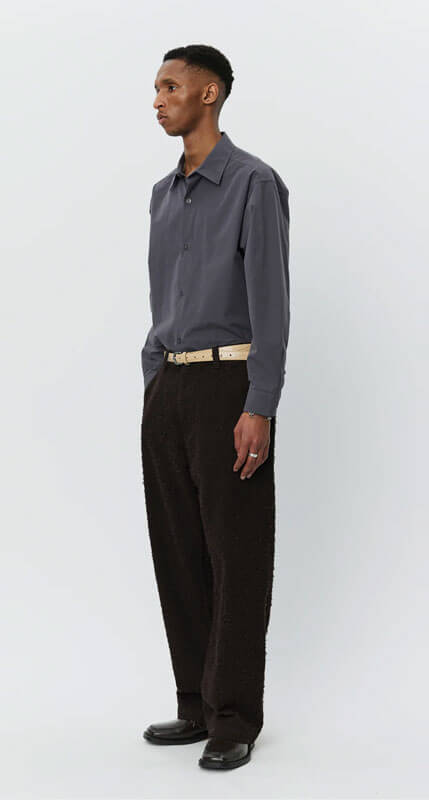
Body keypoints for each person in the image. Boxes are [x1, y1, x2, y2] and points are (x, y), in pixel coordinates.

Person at [140, 44, 290, 771]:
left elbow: (272, 304)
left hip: (229, 386)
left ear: (209, 94)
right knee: (178, 550)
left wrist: (260, 403)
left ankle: (234, 716)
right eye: (156, 88)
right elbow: (160, 296)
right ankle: (195, 704)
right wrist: (153, 377)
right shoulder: (163, 195)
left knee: (237, 552)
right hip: (169, 386)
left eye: (171, 86)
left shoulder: (253, 183)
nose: (158, 99)